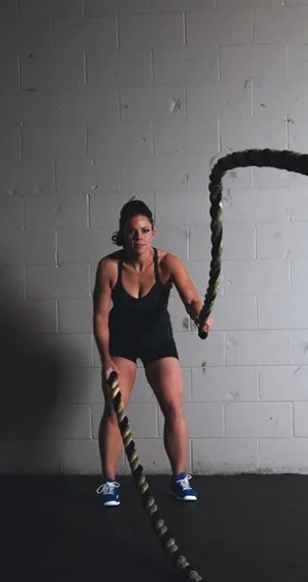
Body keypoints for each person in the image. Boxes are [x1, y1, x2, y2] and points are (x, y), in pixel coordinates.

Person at [92, 198, 213, 507]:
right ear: (122, 233)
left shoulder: (167, 263)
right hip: (122, 344)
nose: (139, 237)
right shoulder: (109, 266)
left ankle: (179, 478)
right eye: (132, 232)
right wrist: (106, 360)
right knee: (115, 409)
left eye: (144, 230)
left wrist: (201, 315)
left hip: (159, 342)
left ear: (153, 233)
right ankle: (109, 483)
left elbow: (192, 299)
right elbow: (101, 317)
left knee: (174, 406)